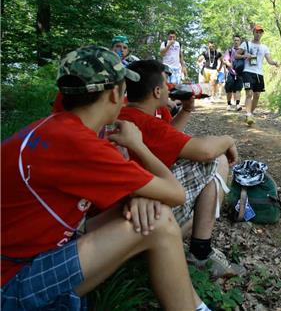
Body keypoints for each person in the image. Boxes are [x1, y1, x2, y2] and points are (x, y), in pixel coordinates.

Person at [1, 46, 211, 310]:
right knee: (158, 219)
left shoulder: (54, 128)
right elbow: (176, 194)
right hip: (11, 283)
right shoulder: (79, 143)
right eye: (124, 90)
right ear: (114, 94)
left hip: (31, 253)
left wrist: (138, 194)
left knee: (148, 208)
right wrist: (138, 145)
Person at [119, 60, 246, 279]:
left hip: (128, 206)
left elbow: (166, 139)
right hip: (140, 211)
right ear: (157, 90)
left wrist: (186, 110)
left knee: (200, 206)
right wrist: (228, 140)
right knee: (217, 160)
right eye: (166, 83)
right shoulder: (147, 123)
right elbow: (204, 151)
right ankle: (200, 253)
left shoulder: (126, 115)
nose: (170, 87)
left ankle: (182, 240)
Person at [236, 24, 279, 125]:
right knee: (249, 93)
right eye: (257, 32)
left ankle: (250, 113)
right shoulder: (246, 44)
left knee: (257, 95)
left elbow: (269, 60)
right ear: (253, 32)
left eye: (260, 32)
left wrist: (275, 63)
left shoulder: (264, 47)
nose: (258, 34)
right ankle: (248, 114)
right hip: (247, 72)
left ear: (262, 34)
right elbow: (236, 55)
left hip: (259, 74)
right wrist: (244, 56)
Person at [223, 35, 244, 111]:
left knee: (238, 89)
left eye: (238, 40)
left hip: (240, 73)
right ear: (233, 41)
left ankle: (238, 104)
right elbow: (225, 60)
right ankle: (229, 104)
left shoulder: (243, 51)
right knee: (229, 89)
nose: (236, 42)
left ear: (240, 41)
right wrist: (231, 66)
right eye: (235, 40)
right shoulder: (229, 50)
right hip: (231, 73)